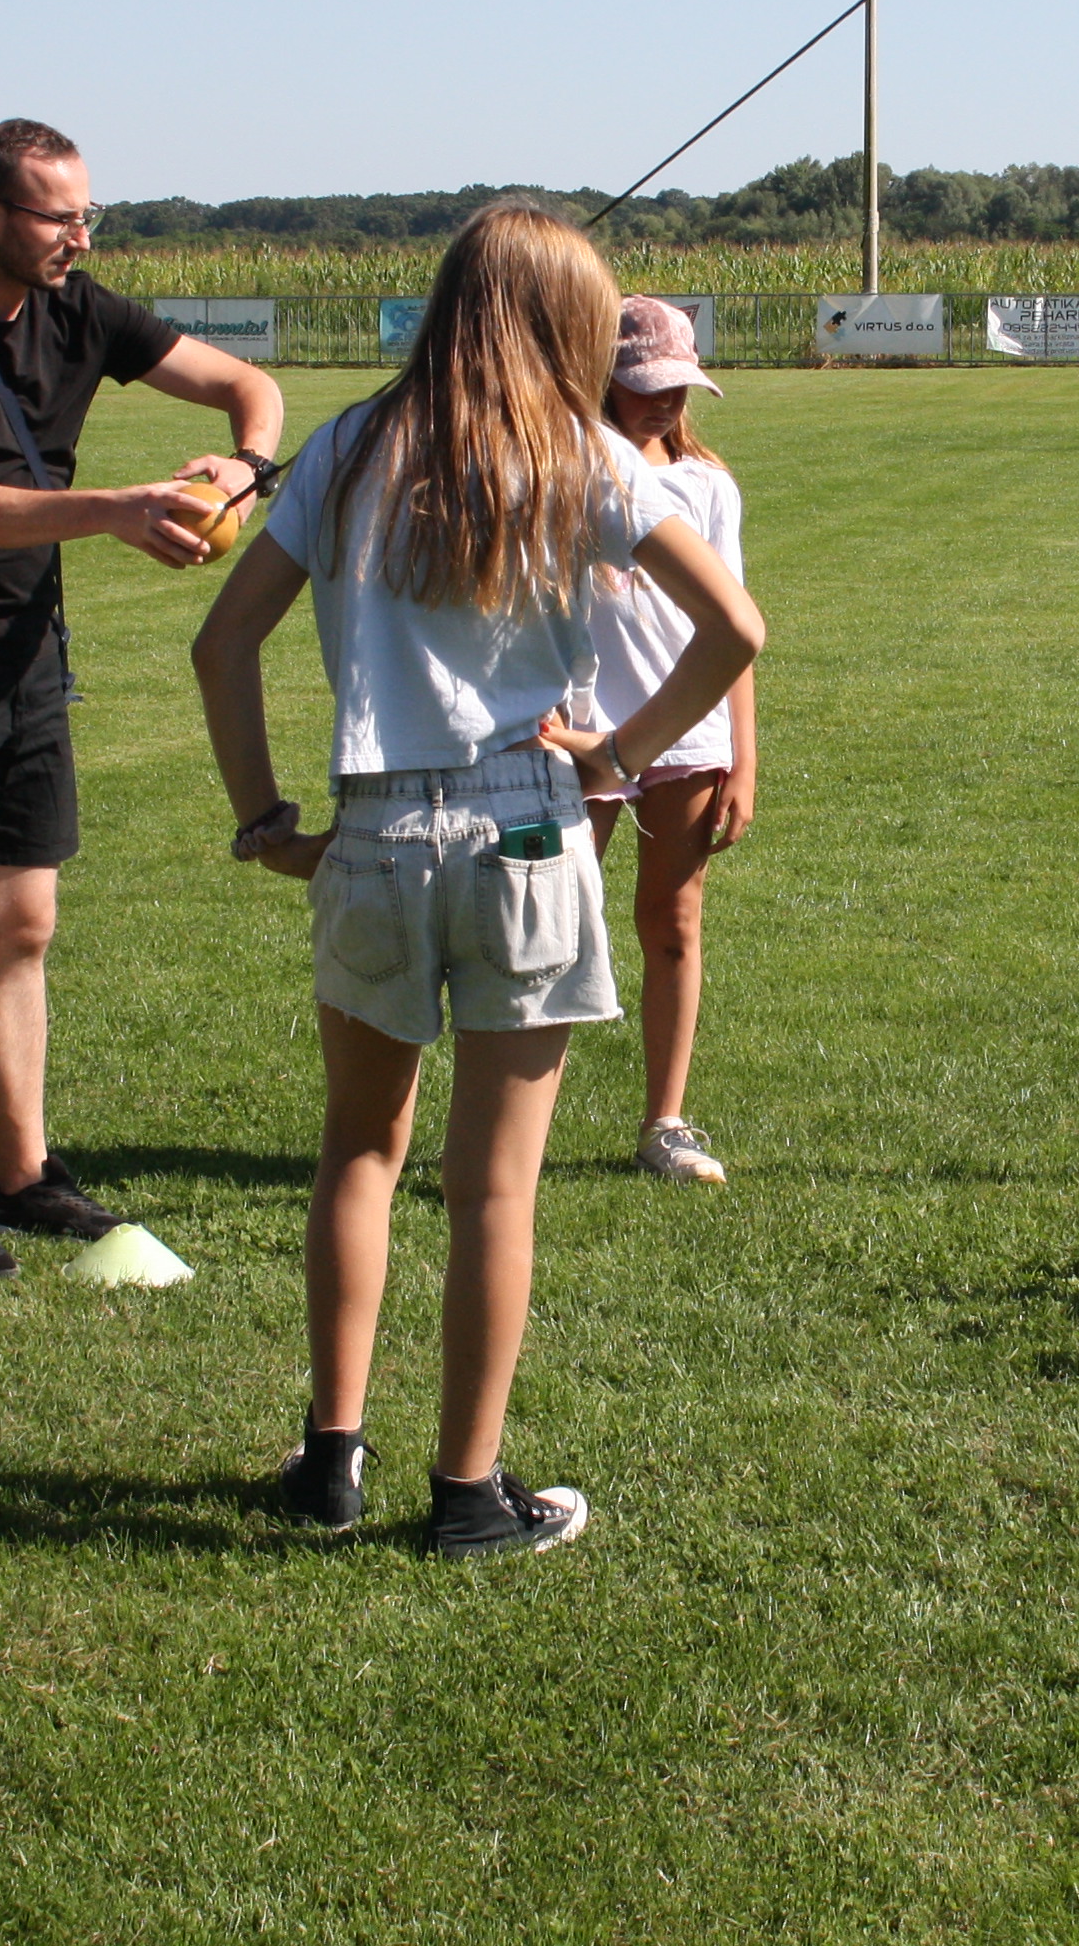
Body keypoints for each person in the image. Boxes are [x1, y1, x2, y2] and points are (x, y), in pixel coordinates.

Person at [191, 200, 763, 1557]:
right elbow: (735, 627)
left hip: (375, 831)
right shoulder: (584, 454)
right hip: (527, 831)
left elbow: (223, 646)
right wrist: (619, 753)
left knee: (359, 1151)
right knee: (495, 1186)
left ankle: (331, 1464)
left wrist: (265, 821)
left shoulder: (347, 444)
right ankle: (466, 1495)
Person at [0, 117, 287, 1276]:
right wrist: (118, 510)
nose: (81, 237)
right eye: (61, 216)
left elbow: (246, 384)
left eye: (89, 215)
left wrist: (246, 463)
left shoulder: (81, 309)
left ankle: (23, 1173)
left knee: (24, 927)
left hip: (30, 658)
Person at [572, 297, 755, 1186]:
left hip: (687, 734)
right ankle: (511, 1123)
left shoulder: (709, 487)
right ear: (600, 379)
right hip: (582, 732)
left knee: (673, 923)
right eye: (646, 386)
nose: (666, 403)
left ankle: (666, 1124)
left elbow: (735, 630)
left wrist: (744, 759)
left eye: (679, 388)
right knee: (555, 928)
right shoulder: (566, 469)